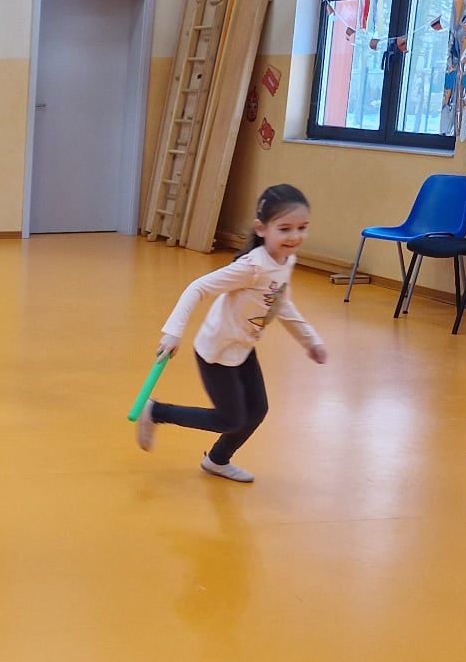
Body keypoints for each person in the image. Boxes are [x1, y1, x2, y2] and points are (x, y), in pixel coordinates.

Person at [137, 182, 327, 483]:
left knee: (257, 410)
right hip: (216, 350)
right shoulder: (252, 267)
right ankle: (156, 411)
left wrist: (310, 341)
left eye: (302, 228)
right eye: (285, 229)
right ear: (261, 229)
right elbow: (198, 287)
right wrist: (173, 332)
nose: (295, 236)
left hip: (242, 346)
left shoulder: (285, 260)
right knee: (229, 418)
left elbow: (280, 302)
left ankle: (217, 460)